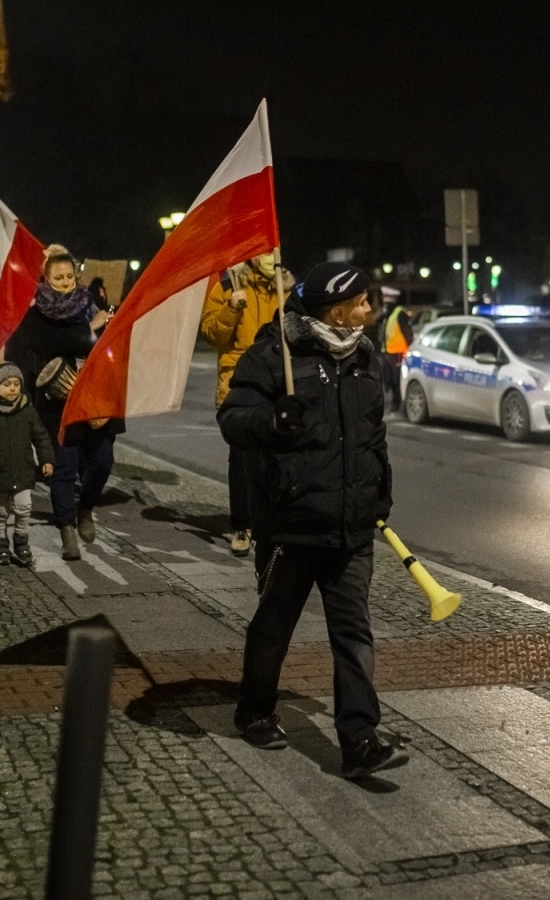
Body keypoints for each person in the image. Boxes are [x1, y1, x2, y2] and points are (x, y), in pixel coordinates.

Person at [217, 261, 408, 779]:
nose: (371, 309)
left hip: (352, 527)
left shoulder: (364, 358)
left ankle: (359, 740)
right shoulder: (278, 350)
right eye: (363, 302)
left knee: (354, 633)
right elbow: (234, 418)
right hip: (293, 522)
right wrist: (273, 419)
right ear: (336, 309)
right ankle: (254, 711)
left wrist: (379, 498)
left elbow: (373, 438)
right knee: (274, 625)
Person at [5, 246, 119, 560]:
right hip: (58, 400)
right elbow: (45, 343)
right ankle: (66, 528)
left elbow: (110, 340)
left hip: (95, 397)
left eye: (70, 275)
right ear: (47, 278)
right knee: (63, 469)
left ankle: (85, 509)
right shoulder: (38, 310)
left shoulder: (90, 302)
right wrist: (88, 329)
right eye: (59, 277)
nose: (66, 281)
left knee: (102, 462)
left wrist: (110, 323)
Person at [199, 254, 288, 557]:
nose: (269, 258)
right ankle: (243, 525)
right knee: (241, 459)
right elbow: (212, 333)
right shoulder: (228, 285)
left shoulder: (284, 286)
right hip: (239, 385)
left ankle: (274, 525)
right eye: (263, 253)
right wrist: (232, 306)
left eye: (272, 252)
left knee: (276, 458)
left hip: (277, 386)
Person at [0, 362, 56, 567]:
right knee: (0, 511)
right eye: (7, 384)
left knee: (24, 507)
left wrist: (47, 459)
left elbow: (41, 437)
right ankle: (0, 544)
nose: (13, 388)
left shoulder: (28, 411)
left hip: (23, 469)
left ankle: (21, 542)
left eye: (17, 383)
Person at [376, 286, 413, 413]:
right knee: (389, 381)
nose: (383, 301)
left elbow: (408, 333)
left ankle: (397, 404)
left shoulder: (399, 313)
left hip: (398, 353)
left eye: (386, 300)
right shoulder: (388, 314)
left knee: (397, 381)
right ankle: (395, 403)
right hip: (388, 352)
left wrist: (410, 349)